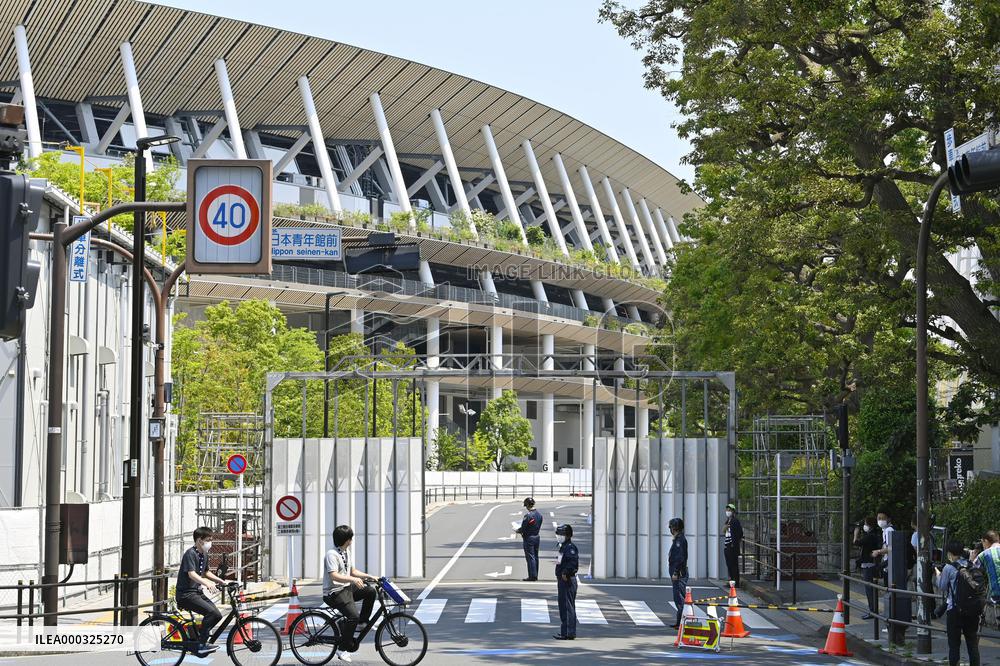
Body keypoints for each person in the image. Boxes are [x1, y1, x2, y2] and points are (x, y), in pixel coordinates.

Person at [323, 525, 377, 662]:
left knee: (370, 591)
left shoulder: (346, 552)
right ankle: (342, 649)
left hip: (346, 589)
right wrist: (354, 580)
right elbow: (334, 576)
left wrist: (369, 576)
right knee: (353, 616)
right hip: (334, 592)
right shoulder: (331, 555)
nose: (351, 541)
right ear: (345, 540)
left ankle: (362, 623)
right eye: (350, 538)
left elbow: (353, 571)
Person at [175, 526, 225, 656]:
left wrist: (221, 581)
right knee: (210, 613)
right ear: (199, 540)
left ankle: (198, 638)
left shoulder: (204, 554)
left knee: (217, 615)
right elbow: (192, 574)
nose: (210, 543)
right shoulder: (190, 554)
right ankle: (201, 644)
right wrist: (207, 583)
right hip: (186, 594)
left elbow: (206, 572)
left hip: (196, 592)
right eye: (208, 540)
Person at [935, 541, 982, 666]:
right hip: (972, 609)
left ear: (950, 554)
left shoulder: (949, 568)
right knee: (972, 644)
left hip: (955, 610)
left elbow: (942, 586)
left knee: (954, 645)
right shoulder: (971, 565)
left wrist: (938, 574)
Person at [553, 524, 578, 640]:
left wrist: (565, 573)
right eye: (558, 534)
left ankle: (568, 632)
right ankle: (565, 631)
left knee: (567, 606)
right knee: (563, 606)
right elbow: (559, 562)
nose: (559, 536)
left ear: (568, 535)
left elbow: (573, 563)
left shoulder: (570, 548)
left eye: (561, 534)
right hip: (562, 581)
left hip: (567, 580)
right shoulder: (563, 547)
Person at [854, 516, 881, 619]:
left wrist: (856, 533)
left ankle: (872, 611)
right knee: (870, 589)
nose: (864, 526)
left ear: (869, 525)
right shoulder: (872, 535)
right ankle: (873, 610)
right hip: (871, 564)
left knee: (869, 589)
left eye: (865, 524)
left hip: (869, 565)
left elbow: (856, 542)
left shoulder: (870, 536)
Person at [668, 517, 688, 629]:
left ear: (675, 528)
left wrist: (675, 572)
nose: (670, 529)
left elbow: (680, 558)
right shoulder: (678, 539)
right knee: (678, 597)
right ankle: (679, 622)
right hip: (678, 572)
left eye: (671, 527)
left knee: (679, 598)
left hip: (679, 573)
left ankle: (681, 623)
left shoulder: (680, 540)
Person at [516, 497, 543, 581]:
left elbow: (523, 528)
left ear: (527, 505)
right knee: (535, 556)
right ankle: (535, 574)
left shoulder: (528, 516)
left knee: (530, 557)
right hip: (537, 537)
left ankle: (532, 576)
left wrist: (517, 530)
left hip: (529, 538)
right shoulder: (539, 515)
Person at [974, 530, 1000, 602]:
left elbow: (972, 569)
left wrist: (973, 556)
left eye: (982, 542)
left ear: (986, 541)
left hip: (996, 595)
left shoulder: (984, 554)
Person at [723, 503, 743, 588]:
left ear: (733, 511)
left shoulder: (735, 521)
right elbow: (724, 531)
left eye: (729, 510)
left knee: (733, 565)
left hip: (732, 546)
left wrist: (734, 543)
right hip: (727, 545)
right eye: (727, 510)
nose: (728, 511)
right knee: (729, 565)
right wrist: (725, 528)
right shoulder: (728, 521)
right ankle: (732, 581)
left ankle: (735, 582)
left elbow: (740, 533)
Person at [872, 510, 895, 582]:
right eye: (879, 518)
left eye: (883, 518)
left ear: (889, 519)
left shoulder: (889, 530)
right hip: (888, 564)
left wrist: (878, 552)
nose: (880, 520)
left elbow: (891, 548)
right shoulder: (885, 530)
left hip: (891, 564)